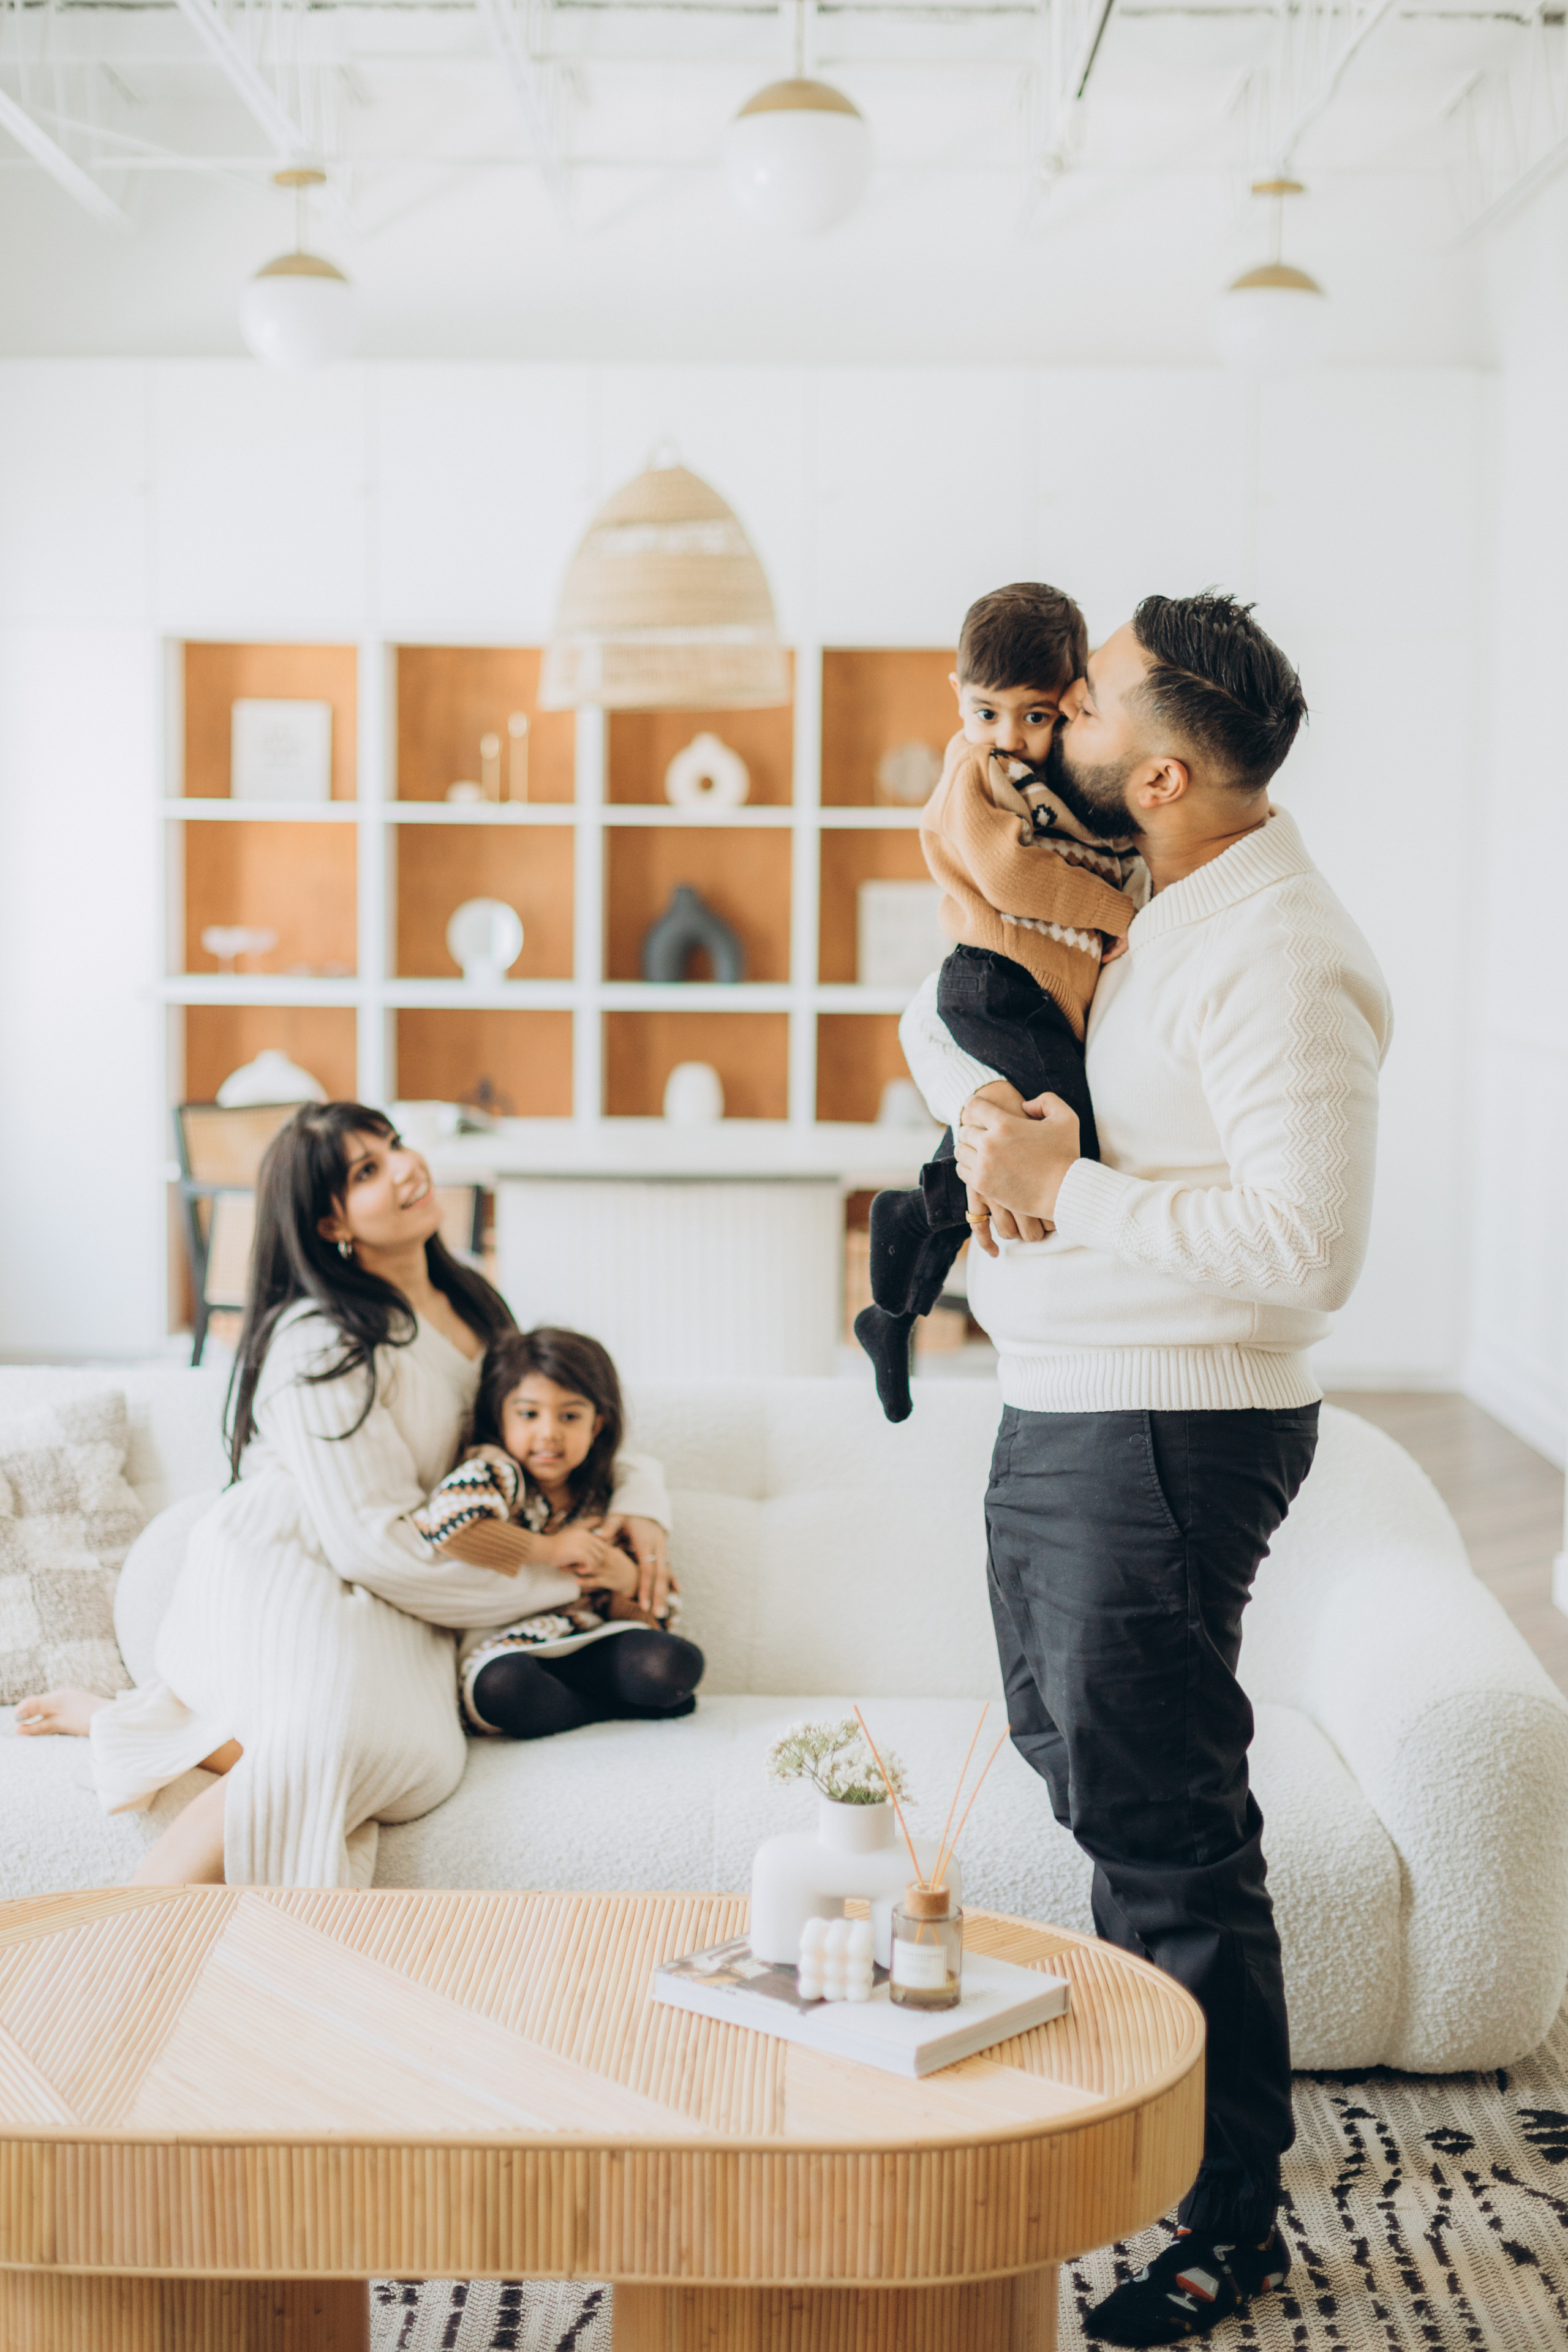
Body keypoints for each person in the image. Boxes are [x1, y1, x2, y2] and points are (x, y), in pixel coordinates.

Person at [899, 592, 1392, 2346]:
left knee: (1166, 1823)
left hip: (1172, 1424)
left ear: (1164, 769)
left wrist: (1066, 1188)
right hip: (1077, 1399)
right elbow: (974, 1039)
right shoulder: (1155, 900)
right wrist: (995, 1133)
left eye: (1085, 701)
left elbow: (1304, 1245)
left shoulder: (1278, 951)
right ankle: (1183, 2105)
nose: (1051, 720)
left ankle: (1224, 2211)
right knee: (1092, 1770)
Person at [14, 1103, 674, 1889]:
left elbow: (547, 1418)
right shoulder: (318, 1339)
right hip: (295, 1562)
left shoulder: (472, 1306)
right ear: (330, 1221)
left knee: (417, 1761)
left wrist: (641, 1493)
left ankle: (143, 1730)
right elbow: (368, 1538)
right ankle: (117, 1947)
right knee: (324, 1747)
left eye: (394, 1146)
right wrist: (575, 1572)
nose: (405, 1167)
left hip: (395, 1580)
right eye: (367, 1171)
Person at [853, 581, 1146, 1421]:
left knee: (1012, 1139)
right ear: (957, 696)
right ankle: (916, 1228)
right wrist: (1124, 917)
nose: (1010, 737)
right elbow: (1013, 874)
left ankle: (899, 1288)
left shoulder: (1066, 778)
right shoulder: (974, 773)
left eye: (1036, 716)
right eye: (987, 712)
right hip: (994, 984)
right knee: (1066, 1137)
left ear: (1074, 703)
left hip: (1034, 993)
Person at [417, 1325, 705, 1740]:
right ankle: (600, 1709)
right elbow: (448, 1525)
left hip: (589, 1643)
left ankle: (591, 1700)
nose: (549, 1433)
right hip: (511, 1650)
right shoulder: (497, 1472)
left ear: (598, 1425)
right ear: (501, 1416)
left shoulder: (605, 1498)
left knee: (674, 1664)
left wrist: (624, 1579)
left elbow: (652, 1614)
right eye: (529, 1414)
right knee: (505, 1690)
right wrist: (550, 1548)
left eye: (570, 1416)